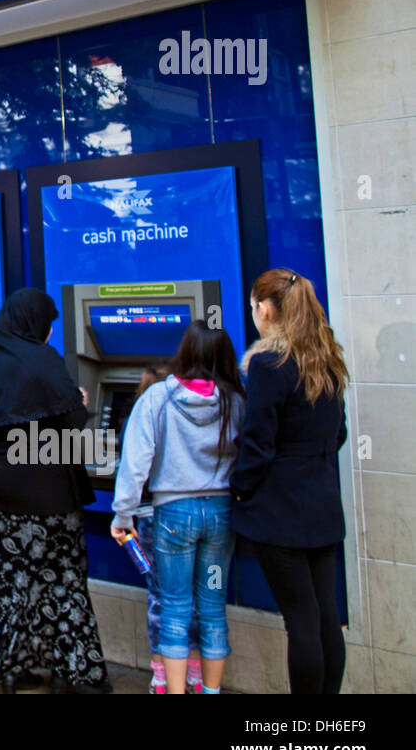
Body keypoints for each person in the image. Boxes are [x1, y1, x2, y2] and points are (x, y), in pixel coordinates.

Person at [0, 288, 111, 694]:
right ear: (37, 323)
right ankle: (73, 673)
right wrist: (80, 400)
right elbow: (73, 424)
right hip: (45, 497)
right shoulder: (42, 360)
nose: (51, 333)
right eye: (49, 325)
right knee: (60, 583)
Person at [231, 269, 349, 694]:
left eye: (252, 308)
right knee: (324, 617)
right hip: (322, 505)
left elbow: (258, 440)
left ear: (265, 309)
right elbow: (339, 434)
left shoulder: (268, 364)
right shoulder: (328, 358)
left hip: (279, 511)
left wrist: (241, 486)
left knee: (299, 621)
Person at [111, 324, 246, 694]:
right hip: (219, 520)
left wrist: (122, 516)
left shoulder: (157, 398)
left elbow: (135, 464)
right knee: (213, 605)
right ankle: (210, 691)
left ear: (185, 354)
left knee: (173, 606)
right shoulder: (236, 400)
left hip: (173, 519)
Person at [121, 364, 203, 694]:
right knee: (194, 597)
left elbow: (131, 472)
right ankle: (194, 675)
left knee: (160, 599)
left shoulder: (137, 420)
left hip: (152, 518)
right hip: (191, 515)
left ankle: (161, 677)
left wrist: (122, 517)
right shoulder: (191, 418)